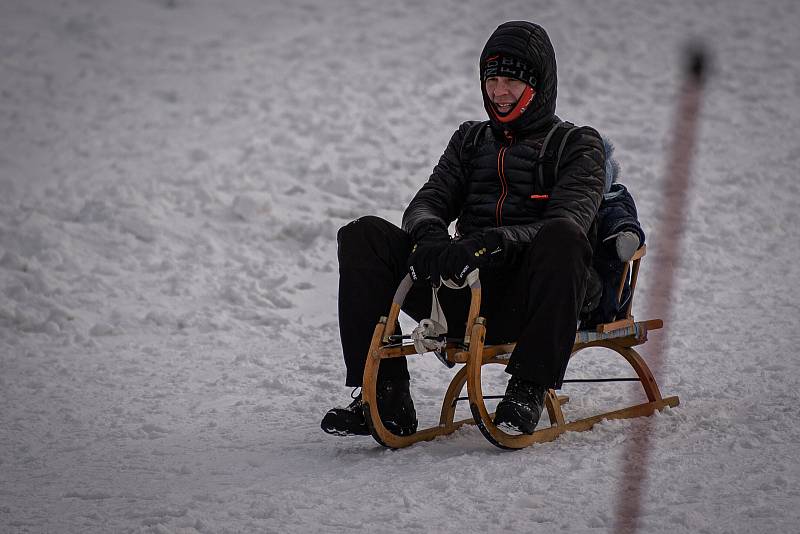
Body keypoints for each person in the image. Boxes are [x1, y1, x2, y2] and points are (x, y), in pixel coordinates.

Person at [322, 21, 608, 437]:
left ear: (539, 85)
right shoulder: (471, 140)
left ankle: (528, 388)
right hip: (465, 288)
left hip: (534, 302)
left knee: (563, 238)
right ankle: (384, 399)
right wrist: (432, 235)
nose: (499, 92)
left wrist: (491, 243)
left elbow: (571, 222)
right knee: (362, 235)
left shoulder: (578, 145)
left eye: (511, 80)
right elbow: (427, 201)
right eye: (492, 80)